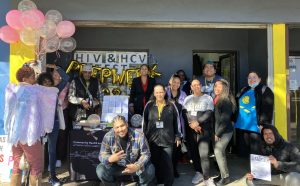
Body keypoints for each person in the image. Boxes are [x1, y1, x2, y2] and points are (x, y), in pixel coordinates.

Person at [4, 65, 58, 186]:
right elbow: (53, 92)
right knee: (36, 166)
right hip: (29, 134)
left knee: (17, 166)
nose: (35, 79)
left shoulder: (13, 89)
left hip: (15, 136)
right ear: (25, 78)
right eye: (33, 76)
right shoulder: (35, 91)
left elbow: (7, 112)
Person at [96, 115, 156, 186]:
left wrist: (137, 165)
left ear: (127, 124)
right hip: (117, 167)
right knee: (100, 170)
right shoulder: (108, 136)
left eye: (122, 126)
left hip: (134, 166)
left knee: (150, 170)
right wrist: (110, 159)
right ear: (113, 128)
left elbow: (146, 154)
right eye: (117, 127)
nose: (120, 129)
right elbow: (101, 155)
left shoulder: (139, 135)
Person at [142, 84, 182, 186]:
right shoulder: (149, 105)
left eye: (161, 92)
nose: (159, 94)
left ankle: (168, 183)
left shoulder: (171, 105)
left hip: (168, 139)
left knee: (168, 163)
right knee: (155, 162)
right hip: (153, 140)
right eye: (157, 92)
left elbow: (177, 122)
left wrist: (178, 136)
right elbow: (144, 122)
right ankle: (158, 180)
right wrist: (143, 138)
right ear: (154, 93)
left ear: (165, 93)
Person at [37, 64, 69, 186]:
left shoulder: (55, 89)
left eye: (49, 81)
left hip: (54, 123)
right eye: (44, 82)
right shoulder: (37, 90)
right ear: (40, 83)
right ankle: (34, 175)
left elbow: (66, 78)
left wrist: (56, 67)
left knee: (52, 150)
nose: (47, 83)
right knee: (36, 150)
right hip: (38, 124)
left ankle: (53, 177)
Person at [182, 79, 215, 186]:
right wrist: (192, 124)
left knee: (204, 154)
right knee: (194, 153)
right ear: (191, 87)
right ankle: (198, 172)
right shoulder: (188, 98)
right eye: (194, 85)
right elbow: (184, 112)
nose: (196, 87)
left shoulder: (208, 98)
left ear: (201, 86)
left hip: (203, 129)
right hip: (191, 129)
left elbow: (209, 113)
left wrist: (198, 122)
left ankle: (207, 177)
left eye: (198, 85)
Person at [234, 71, 274, 157]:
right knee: (249, 148)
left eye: (254, 77)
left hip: (256, 126)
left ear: (259, 79)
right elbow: (236, 104)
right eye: (249, 78)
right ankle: (255, 168)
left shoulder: (265, 90)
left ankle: (259, 170)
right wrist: (233, 118)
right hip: (243, 125)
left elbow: (267, 109)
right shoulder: (244, 89)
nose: (251, 79)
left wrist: (263, 124)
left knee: (256, 149)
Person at [213, 79, 236, 186]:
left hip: (225, 131)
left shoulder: (225, 100)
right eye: (215, 86)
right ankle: (223, 174)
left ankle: (225, 177)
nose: (216, 88)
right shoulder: (217, 98)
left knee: (218, 151)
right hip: (220, 130)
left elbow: (225, 119)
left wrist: (218, 133)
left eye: (219, 87)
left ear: (224, 89)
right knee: (220, 153)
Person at [166, 74, 187, 178]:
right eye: (174, 82)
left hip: (179, 125)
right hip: (166, 125)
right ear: (170, 82)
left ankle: (174, 168)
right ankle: (167, 170)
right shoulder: (164, 91)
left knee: (176, 148)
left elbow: (185, 110)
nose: (176, 84)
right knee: (167, 149)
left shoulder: (183, 94)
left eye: (178, 82)